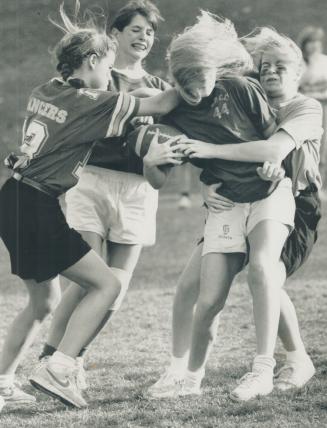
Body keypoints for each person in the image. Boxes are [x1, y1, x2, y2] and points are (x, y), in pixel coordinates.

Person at [0, 2, 179, 410]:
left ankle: (2, 383)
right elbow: (162, 106)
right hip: (37, 205)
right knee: (107, 284)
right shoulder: (93, 101)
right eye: (107, 66)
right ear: (93, 60)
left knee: (44, 302)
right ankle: (60, 366)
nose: (109, 78)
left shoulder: (45, 89)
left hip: (12, 197)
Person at [145, 24, 322, 401]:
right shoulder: (235, 96)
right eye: (264, 66)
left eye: (280, 66)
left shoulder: (304, 106)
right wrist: (205, 182)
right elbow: (186, 130)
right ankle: (183, 373)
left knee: (265, 272)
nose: (271, 71)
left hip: (295, 198)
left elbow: (271, 151)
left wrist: (210, 156)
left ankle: (285, 361)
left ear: (299, 72)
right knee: (197, 291)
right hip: (230, 196)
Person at [298, 26, 327, 189]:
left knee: (322, 146)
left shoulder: (324, 61)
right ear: (304, 44)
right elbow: (295, 86)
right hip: (304, 108)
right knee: (303, 144)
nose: (314, 46)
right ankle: (301, 182)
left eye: (317, 42)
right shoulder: (298, 62)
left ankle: (318, 184)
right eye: (310, 42)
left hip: (323, 108)